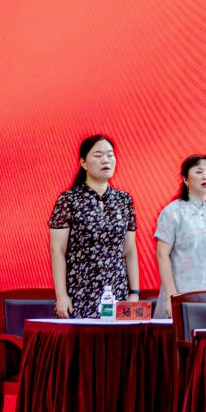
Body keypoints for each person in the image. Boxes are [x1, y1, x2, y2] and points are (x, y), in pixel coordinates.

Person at [48, 134, 137, 319]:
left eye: (110, 155)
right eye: (98, 155)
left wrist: (134, 292)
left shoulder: (124, 200)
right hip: (80, 291)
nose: (106, 160)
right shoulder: (69, 200)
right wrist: (61, 296)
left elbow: (129, 250)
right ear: (83, 162)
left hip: (116, 291)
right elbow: (57, 250)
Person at [154, 153, 206, 306]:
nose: (205, 176)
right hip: (182, 296)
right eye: (199, 172)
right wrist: (172, 297)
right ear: (186, 179)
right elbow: (162, 255)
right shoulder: (173, 212)